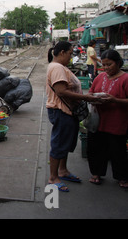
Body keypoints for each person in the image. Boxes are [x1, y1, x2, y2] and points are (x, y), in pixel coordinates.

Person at [46, 41, 102, 192]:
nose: (71, 57)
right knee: (59, 143)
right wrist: (87, 98)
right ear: (62, 52)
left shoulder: (59, 67)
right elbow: (61, 91)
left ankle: (63, 171)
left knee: (65, 142)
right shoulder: (57, 67)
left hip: (67, 110)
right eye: (70, 53)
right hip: (61, 110)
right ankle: (53, 177)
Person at [87, 49, 128, 188]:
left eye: (109, 64)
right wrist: (93, 98)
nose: (106, 68)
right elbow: (91, 92)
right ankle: (96, 173)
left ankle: (122, 176)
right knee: (97, 148)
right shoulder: (100, 77)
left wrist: (115, 100)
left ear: (117, 63)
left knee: (118, 150)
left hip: (117, 122)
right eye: (103, 65)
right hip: (99, 121)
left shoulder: (125, 79)